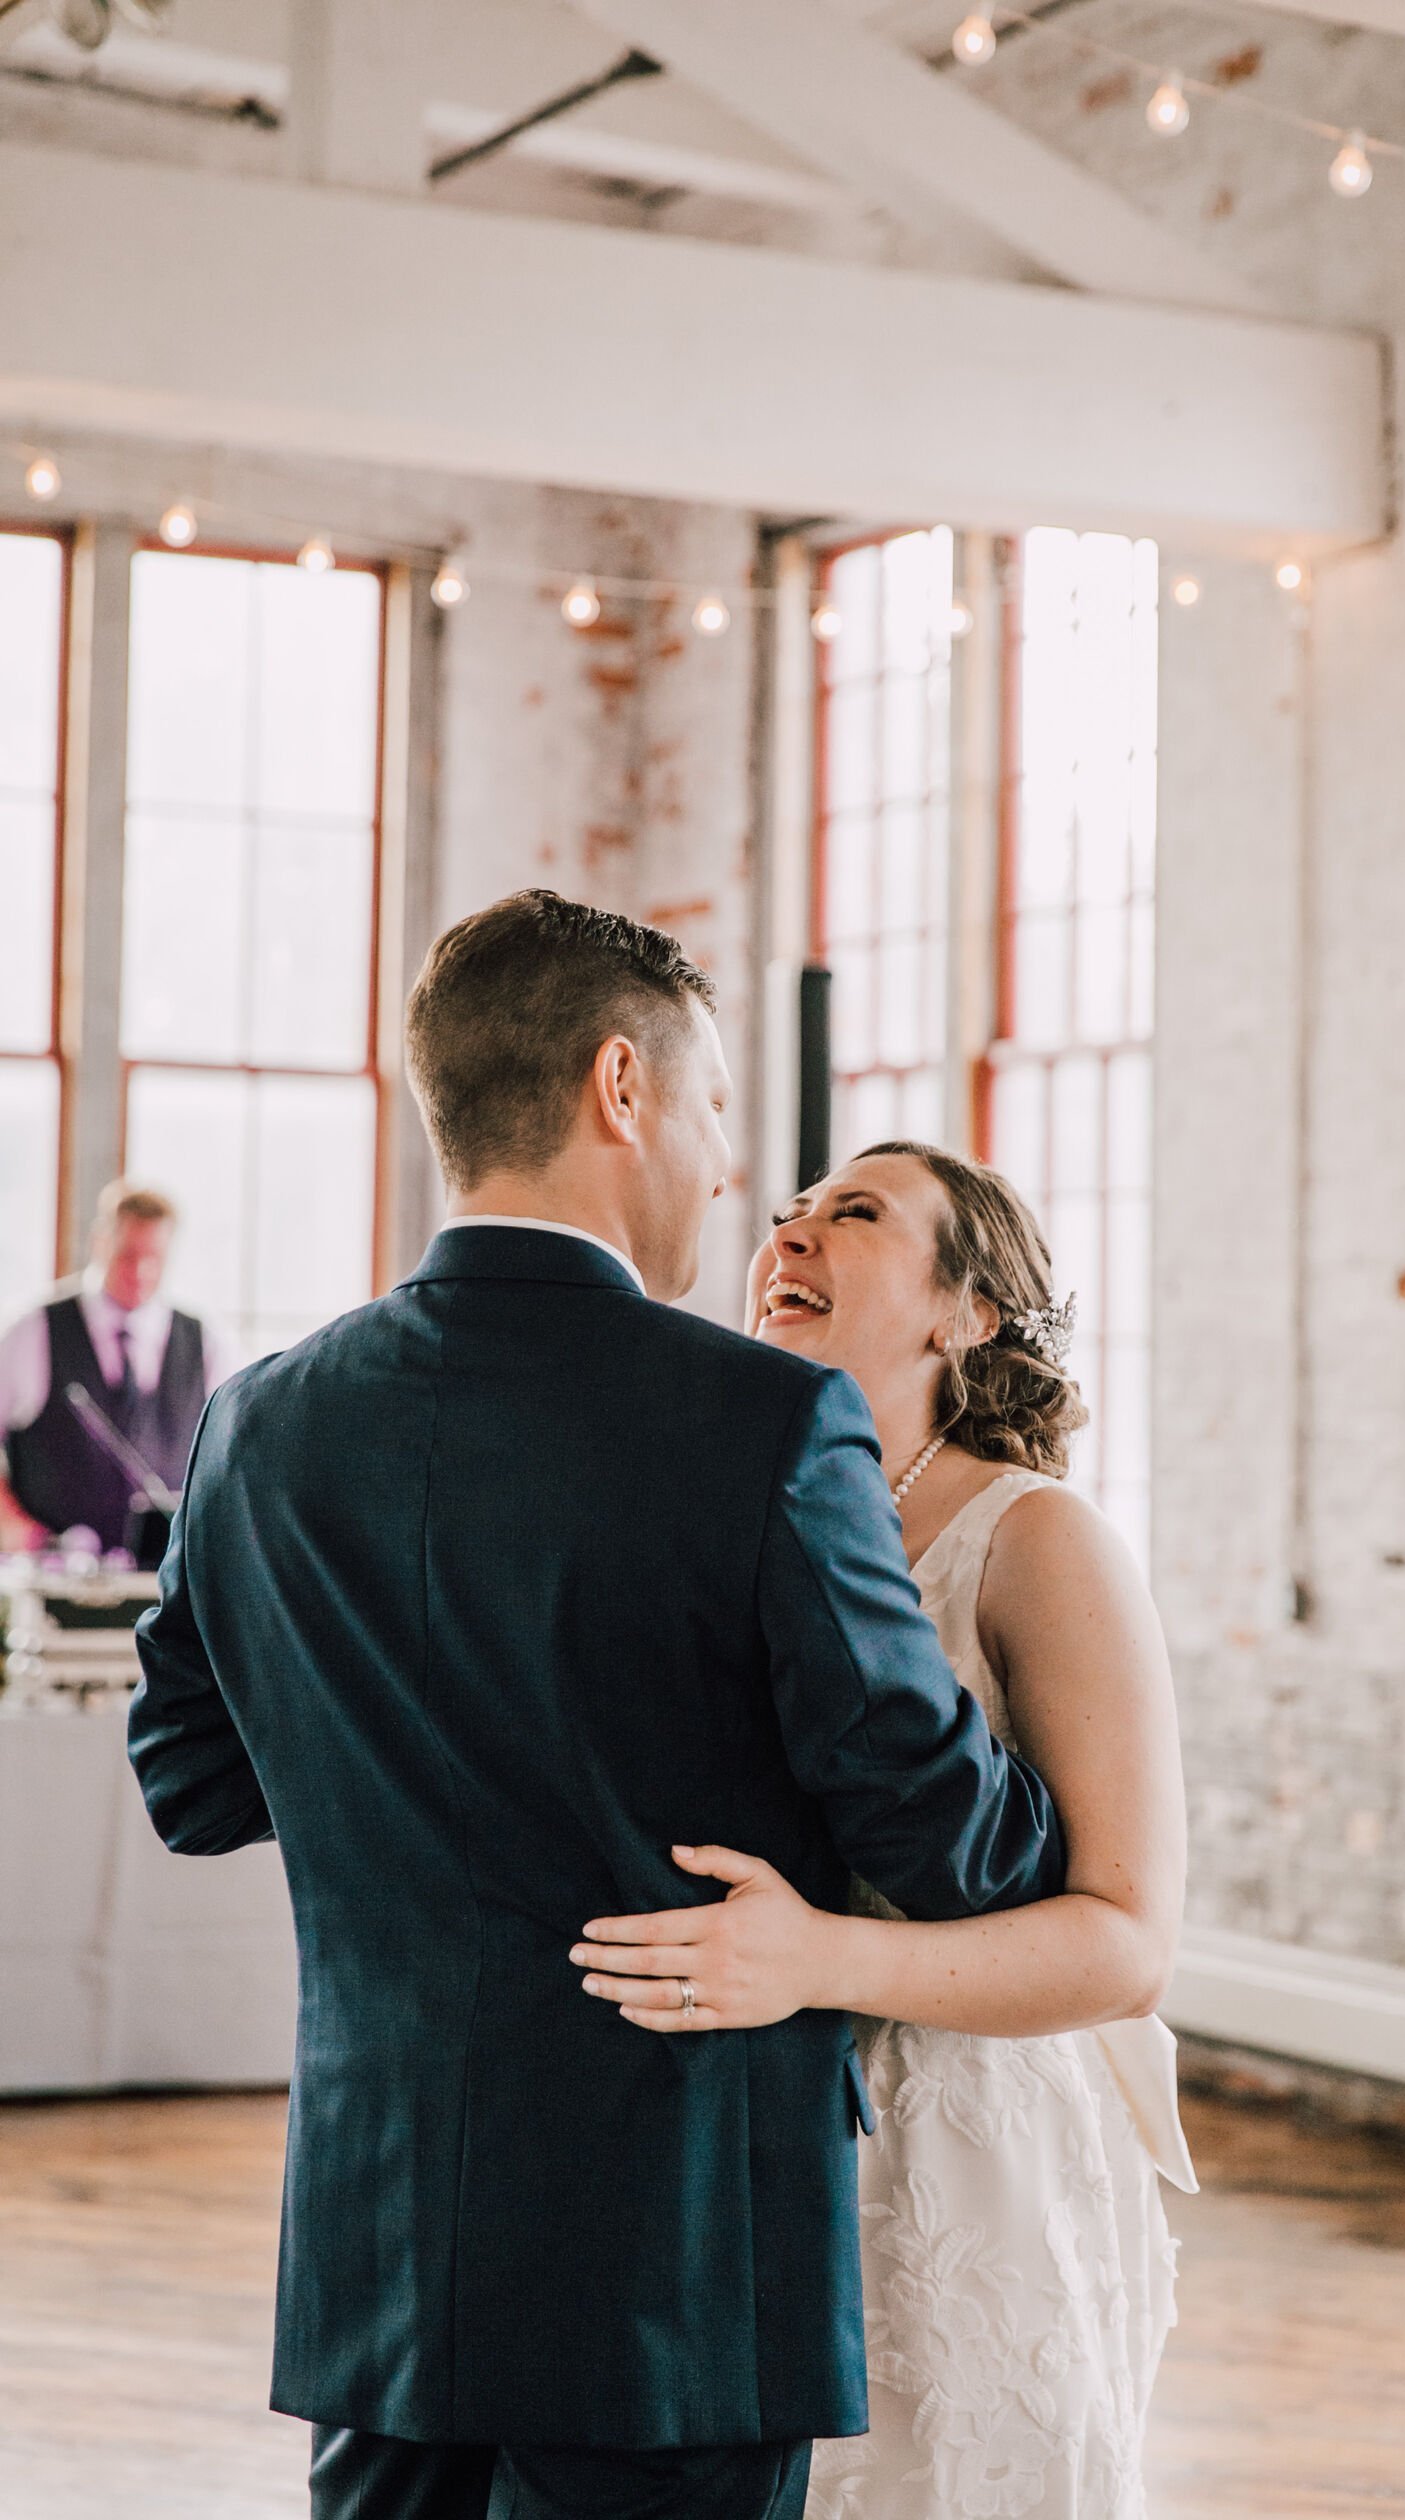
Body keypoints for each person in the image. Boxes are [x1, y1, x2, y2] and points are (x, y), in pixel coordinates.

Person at [125, 892, 1066, 2520]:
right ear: (621, 1089)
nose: (722, 1169)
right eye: (712, 1111)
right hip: (676, 2272)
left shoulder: (255, 1423)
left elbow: (191, 1784)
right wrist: (1054, 1769)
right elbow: (948, 1843)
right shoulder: (766, 1426)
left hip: (380, 2254)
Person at [569, 1143, 1194, 2520]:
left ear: (963, 1314)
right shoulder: (708, 1509)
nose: (789, 1235)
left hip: (968, 2152)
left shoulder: (1038, 1541)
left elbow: (1128, 1942)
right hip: (736, 2136)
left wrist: (816, 1963)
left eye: (852, 1216)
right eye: (786, 1214)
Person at [0, 1182, 237, 1562]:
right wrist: (17, 1529)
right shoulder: (33, 1331)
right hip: (51, 1577)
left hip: (166, 1583)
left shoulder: (205, 1341)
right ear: (100, 1241)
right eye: (128, 1254)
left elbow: (233, 1457)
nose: (140, 1270)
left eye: (154, 1257)